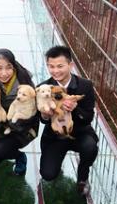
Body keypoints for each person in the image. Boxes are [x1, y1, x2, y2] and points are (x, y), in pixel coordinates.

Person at [37, 45, 98, 195]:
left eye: (60, 66)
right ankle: (56, 162)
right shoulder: (43, 87)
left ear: (70, 65)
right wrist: (46, 114)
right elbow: (43, 120)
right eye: (51, 66)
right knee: (48, 174)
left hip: (80, 133)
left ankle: (83, 177)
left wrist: (75, 108)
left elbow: (89, 117)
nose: (55, 71)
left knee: (90, 147)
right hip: (55, 136)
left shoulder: (85, 85)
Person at [0, 49, 39, 176]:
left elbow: (32, 114)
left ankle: (20, 156)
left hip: (21, 128)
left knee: (0, 149)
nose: (4, 73)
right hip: (0, 129)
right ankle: (7, 150)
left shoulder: (25, 83)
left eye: (8, 68)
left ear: (14, 67)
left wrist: (12, 125)